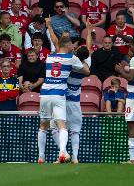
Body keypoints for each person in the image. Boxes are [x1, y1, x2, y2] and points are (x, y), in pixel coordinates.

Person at [37, 37, 90, 164]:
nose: (73, 47)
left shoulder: (49, 57)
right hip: (59, 94)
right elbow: (86, 71)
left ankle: (41, 157)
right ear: (67, 45)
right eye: (71, 45)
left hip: (44, 93)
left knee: (43, 127)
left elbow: (56, 43)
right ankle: (62, 152)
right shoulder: (71, 58)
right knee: (62, 126)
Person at [51, 21, 93, 164]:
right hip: (75, 102)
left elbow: (58, 44)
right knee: (75, 131)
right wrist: (88, 30)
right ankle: (74, 157)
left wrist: (50, 26)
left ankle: (64, 152)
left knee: (55, 128)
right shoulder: (87, 63)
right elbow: (88, 47)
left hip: (62, 100)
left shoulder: (69, 60)